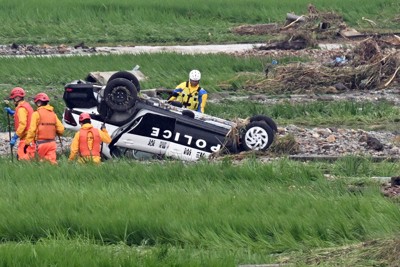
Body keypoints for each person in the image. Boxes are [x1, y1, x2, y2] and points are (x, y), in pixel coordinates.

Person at [24, 92, 65, 164]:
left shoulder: (36, 114)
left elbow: (32, 130)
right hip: (52, 143)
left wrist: (27, 143)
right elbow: (61, 129)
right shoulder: (53, 114)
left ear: (39, 103)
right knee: (52, 164)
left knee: (39, 164)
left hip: (41, 144)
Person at [4, 87, 36, 160]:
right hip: (30, 137)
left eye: (13, 99)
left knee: (23, 160)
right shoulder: (26, 105)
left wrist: (15, 136)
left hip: (26, 139)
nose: (13, 101)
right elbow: (25, 117)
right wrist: (13, 113)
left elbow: (22, 124)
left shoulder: (21, 108)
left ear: (17, 98)